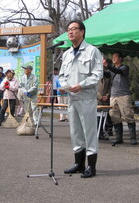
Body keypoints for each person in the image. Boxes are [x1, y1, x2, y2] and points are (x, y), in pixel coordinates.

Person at [59, 20, 103, 178]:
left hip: (86, 98)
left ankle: (91, 166)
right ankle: (79, 164)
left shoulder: (92, 51)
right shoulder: (66, 54)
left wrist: (82, 85)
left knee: (89, 132)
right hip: (72, 98)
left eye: (74, 29)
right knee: (75, 132)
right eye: (69, 30)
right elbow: (62, 75)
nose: (70, 32)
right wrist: (65, 86)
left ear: (82, 32)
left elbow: (98, 74)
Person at [103, 52, 137, 146]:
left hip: (124, 96)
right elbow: (106, 74)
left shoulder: (124, 67)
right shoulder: (111, 70)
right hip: (113, 96)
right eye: (112, 57)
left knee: (128, 115)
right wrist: (100, 68)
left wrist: (108, 66)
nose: (113, 58)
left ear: (121, 58)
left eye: (115, 57)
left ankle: (133, 138)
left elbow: (118, 71)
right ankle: (119, 138)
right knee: (114, 116)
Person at [97, 68, 112, 140]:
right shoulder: (94, 78)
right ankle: (95, 134)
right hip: (96, 101)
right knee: (96, 118)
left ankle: (100, 134)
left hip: (105, 101)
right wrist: (100, 97)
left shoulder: (107, 78)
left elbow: (110, 87)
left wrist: (107, 95)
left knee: (102, 118)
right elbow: (92, 89)